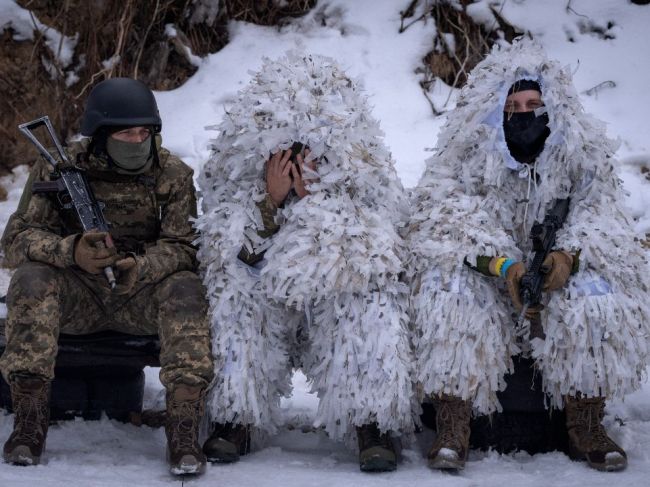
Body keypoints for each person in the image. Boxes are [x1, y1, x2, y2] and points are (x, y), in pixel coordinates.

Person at [407, 39, 650, 472]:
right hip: (492, 284)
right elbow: (441, 219)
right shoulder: (465, 156)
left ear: (551, 106)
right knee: (448, 293)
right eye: (512, 105)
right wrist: (502, 266)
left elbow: (603, 219)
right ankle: (453, 422)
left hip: (556, 286)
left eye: (533, 103)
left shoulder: (581, 157)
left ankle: (585, 422)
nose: (523, 114)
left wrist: (565, 259)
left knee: (596, 297)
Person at [195, 52, 415, 472]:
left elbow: (381, 249)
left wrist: (318, 206)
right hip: (266, 299)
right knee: (235, 297)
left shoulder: (366, 178)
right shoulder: (238, 177)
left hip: (331, 303)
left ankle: (371, 423)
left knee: (369, 299)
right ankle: (235, 418)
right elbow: (224, 248)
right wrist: (269, 203)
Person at [0, 78, 214, 476]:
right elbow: (14, 240)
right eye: (125, 132)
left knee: (187, 289)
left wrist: (143, 267)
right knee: (30, 279)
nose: (136, 141)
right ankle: (29, 423)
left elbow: (185, 247)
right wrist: (71, 251)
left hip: (140, 296)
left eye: (144, 132)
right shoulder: (62, 167)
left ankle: (183, 431)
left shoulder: (172, 173)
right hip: (78, 296)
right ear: (100, 135)